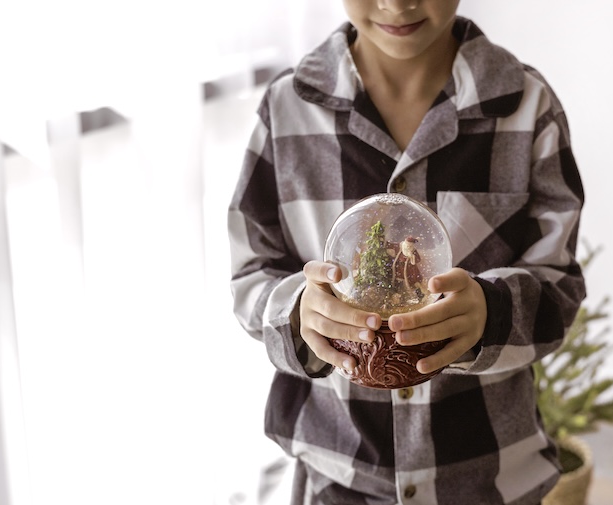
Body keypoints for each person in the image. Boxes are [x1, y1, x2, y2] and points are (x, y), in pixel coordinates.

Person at [228, 1, 586, 503]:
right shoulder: (286, 108)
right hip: (339, 475)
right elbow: (251, 276)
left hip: (488, 477)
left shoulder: (526, 105)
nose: (397, 4)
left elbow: (560, 287)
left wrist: (492, 313)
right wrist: (298, 313)